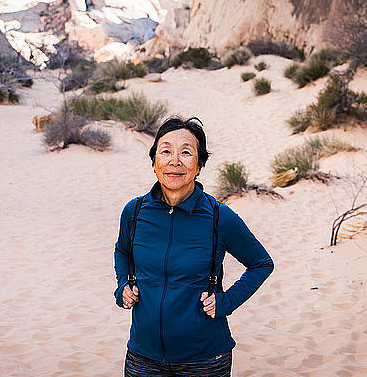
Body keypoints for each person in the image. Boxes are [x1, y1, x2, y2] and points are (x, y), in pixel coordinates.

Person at [113, 116, 274, 377]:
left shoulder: (219, 216)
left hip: (205, 359)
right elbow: (122, 251)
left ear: (199, 165)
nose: (174, 161)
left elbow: (261, 264)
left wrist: (227, 301)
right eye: (166, 151)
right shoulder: (135, 211)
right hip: (143, 356)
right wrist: (123, 286)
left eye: (186, 153)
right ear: (154, 161)